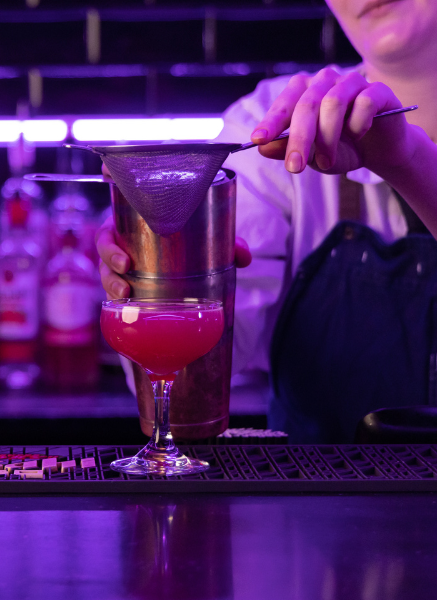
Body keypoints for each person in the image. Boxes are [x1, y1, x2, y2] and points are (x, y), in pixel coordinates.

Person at [97, 0, 437, 443]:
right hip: (323, 506)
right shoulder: (276, 118)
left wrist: (408, 161)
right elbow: (189, 392)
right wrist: (163, 266)